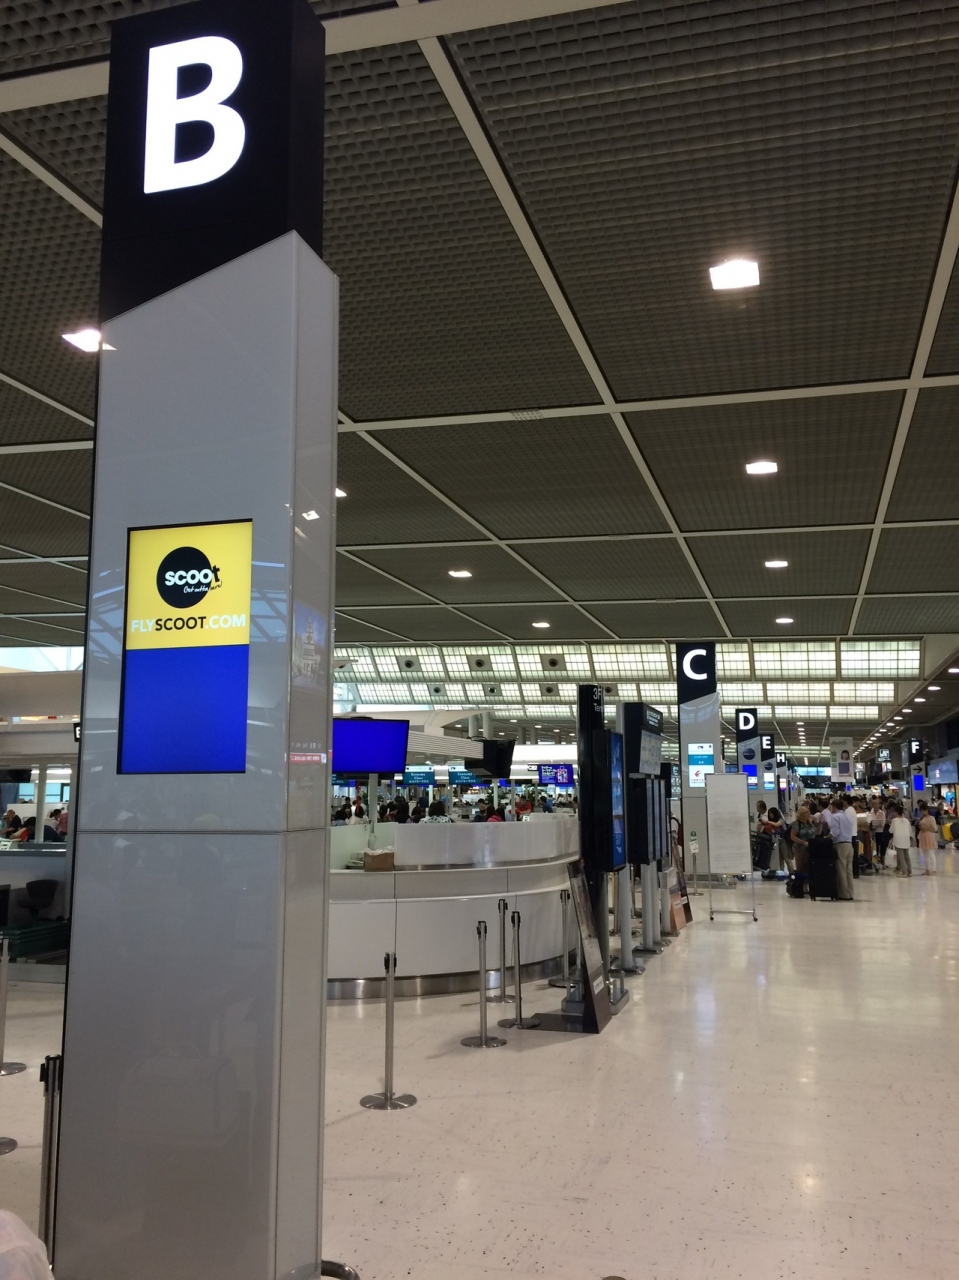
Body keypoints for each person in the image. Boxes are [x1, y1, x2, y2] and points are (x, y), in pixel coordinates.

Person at [831, 798, 855, 900]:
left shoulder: (835, 817)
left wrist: (827, 836)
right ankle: (850, 893)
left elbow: (835, 832)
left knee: (841, 870)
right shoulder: (847, 816)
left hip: (840, 845)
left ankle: (844, 894)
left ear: (834, 807)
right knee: (849, 871)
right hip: (849, 844)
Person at [790, 806, 815, 874]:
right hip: (799, 848)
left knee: (808, 866)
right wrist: (803, 842)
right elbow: (793, 837)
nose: (808, 814)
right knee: (800, 867)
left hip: (809, 848)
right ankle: (799, 879)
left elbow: (816, 832)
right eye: (806, 813)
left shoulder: (809, 823)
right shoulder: (797, 824)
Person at [890, 804, 913, 877]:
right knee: (907, 857)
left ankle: (904, 872)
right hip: (906, 839)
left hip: (898, 840)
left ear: (896, 812)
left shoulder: (894, 820)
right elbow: (910, 830)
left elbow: (891, 830)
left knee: (901, 857)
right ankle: (909, 871)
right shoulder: (906, 820)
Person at [917, 803, 938, 875]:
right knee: (925, 854)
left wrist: (925, 828)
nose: (923, 812)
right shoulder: (922, 818)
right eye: (921, 811)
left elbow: (934, 829)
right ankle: (927, 869)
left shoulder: (931, 818)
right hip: (923, 836)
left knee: (931, 853)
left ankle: (934, 870)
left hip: (929, 836)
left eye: (924, 810)